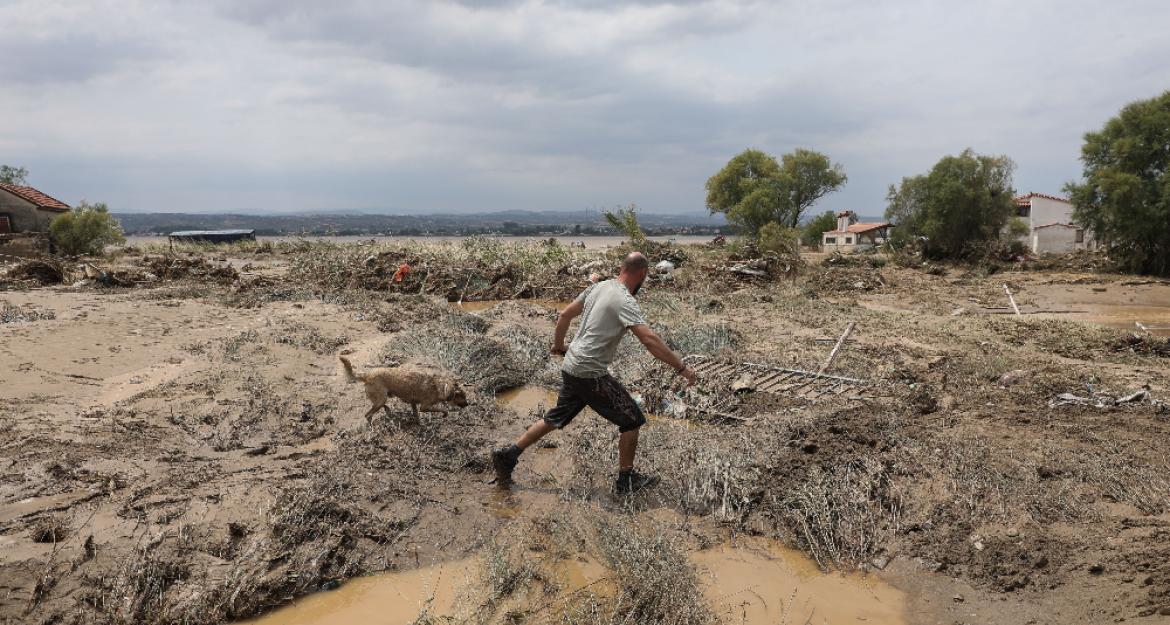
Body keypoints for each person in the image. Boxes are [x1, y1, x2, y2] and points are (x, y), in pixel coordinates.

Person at [491, 252, 698, 494]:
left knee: (556, 417)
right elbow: (649, 339)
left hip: (572, 366)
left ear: (622, 268)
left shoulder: (599, 287)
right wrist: (682, 368)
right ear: (642, 274)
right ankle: (626, 480)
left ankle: (509, 455)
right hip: (590, 373)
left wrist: (559, 346)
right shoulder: (625, 300)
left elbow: (564, 314)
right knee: (633, 420)